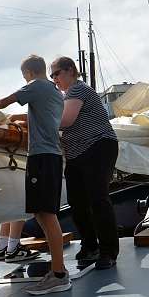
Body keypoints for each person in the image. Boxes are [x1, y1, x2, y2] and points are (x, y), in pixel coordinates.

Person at [0, 54, 70, 295]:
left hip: (42, 158)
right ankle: (57, 271)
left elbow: (5, 101)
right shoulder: (53, 91)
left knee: (46, 215)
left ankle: (58, 274)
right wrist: (19, 118)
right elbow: (41, 116)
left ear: (27, 74)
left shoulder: (35, 86)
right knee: (42, 214)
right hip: (52, 157)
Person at [50, 56, 119, 270]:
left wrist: (37, 122)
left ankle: (108, 251)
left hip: (98, 146)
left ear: (70, 70)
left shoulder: (77, 89)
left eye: (56, 74)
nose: (54, 80)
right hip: (77, 153)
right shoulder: (66, 95)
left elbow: (66, 120)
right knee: (77, 202)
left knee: (98, 199)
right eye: (51, 76)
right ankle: (90, 246)